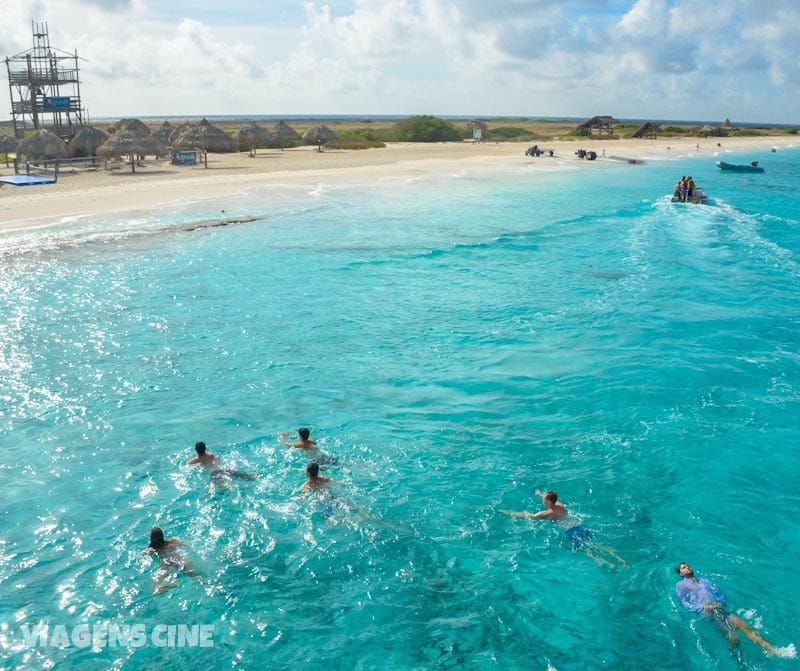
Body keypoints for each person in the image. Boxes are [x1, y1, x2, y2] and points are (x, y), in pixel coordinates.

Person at [675, 562, 796, 658]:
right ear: (681, 573)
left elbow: (719, 592)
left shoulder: (705, 581)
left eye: (688, 566)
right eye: (684, 567)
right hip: (708, 613)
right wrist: (703, 607)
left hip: (720, 609)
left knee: (744, 626)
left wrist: (721, 601)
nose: (688, 568)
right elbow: (684, 604)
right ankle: (736, 656)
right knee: (734, 638)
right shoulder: (681, 585)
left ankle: (771, 649)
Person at [500, 490, 627, 568]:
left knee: (586, 549)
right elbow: (553, 499)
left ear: (548, 502)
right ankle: (621, 560)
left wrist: (510, 513)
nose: (543, 502)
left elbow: (528, 515)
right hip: (579, 525)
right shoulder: (560, 505)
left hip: (571, 531)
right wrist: (539, 494)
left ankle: (603, 562)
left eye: (544, 500)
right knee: (598, 544)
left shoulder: (546, 514)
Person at [146, 526, 201, 593]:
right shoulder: (172, 541)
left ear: (152, 538)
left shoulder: (151, 550)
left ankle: (174, 584)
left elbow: (146, 555)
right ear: (162, 536)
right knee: (195, 575)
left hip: (168, 565)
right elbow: (185, 545)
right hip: (179, 561)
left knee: (156, 591)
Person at [188, 441, 258, 482]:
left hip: (214, 474)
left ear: (196, 450)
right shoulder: (211, 455)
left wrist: (191, 458)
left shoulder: (195, 460)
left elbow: (189, 465)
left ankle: (229, 487)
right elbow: (217, 461)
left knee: (219, 485)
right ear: (205, 448)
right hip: (222, 469)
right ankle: (253, 475)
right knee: (239, 474)